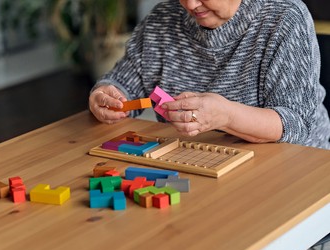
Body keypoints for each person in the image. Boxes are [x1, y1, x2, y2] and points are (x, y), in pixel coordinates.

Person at [88, 0, 330, 149]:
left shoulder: (285, 17)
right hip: (198, 164)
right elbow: (125, 83)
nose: (191, 4)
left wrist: (226, 116)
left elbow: (295, 125)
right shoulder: (162, 19)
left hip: (294, 169)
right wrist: (107, 95)